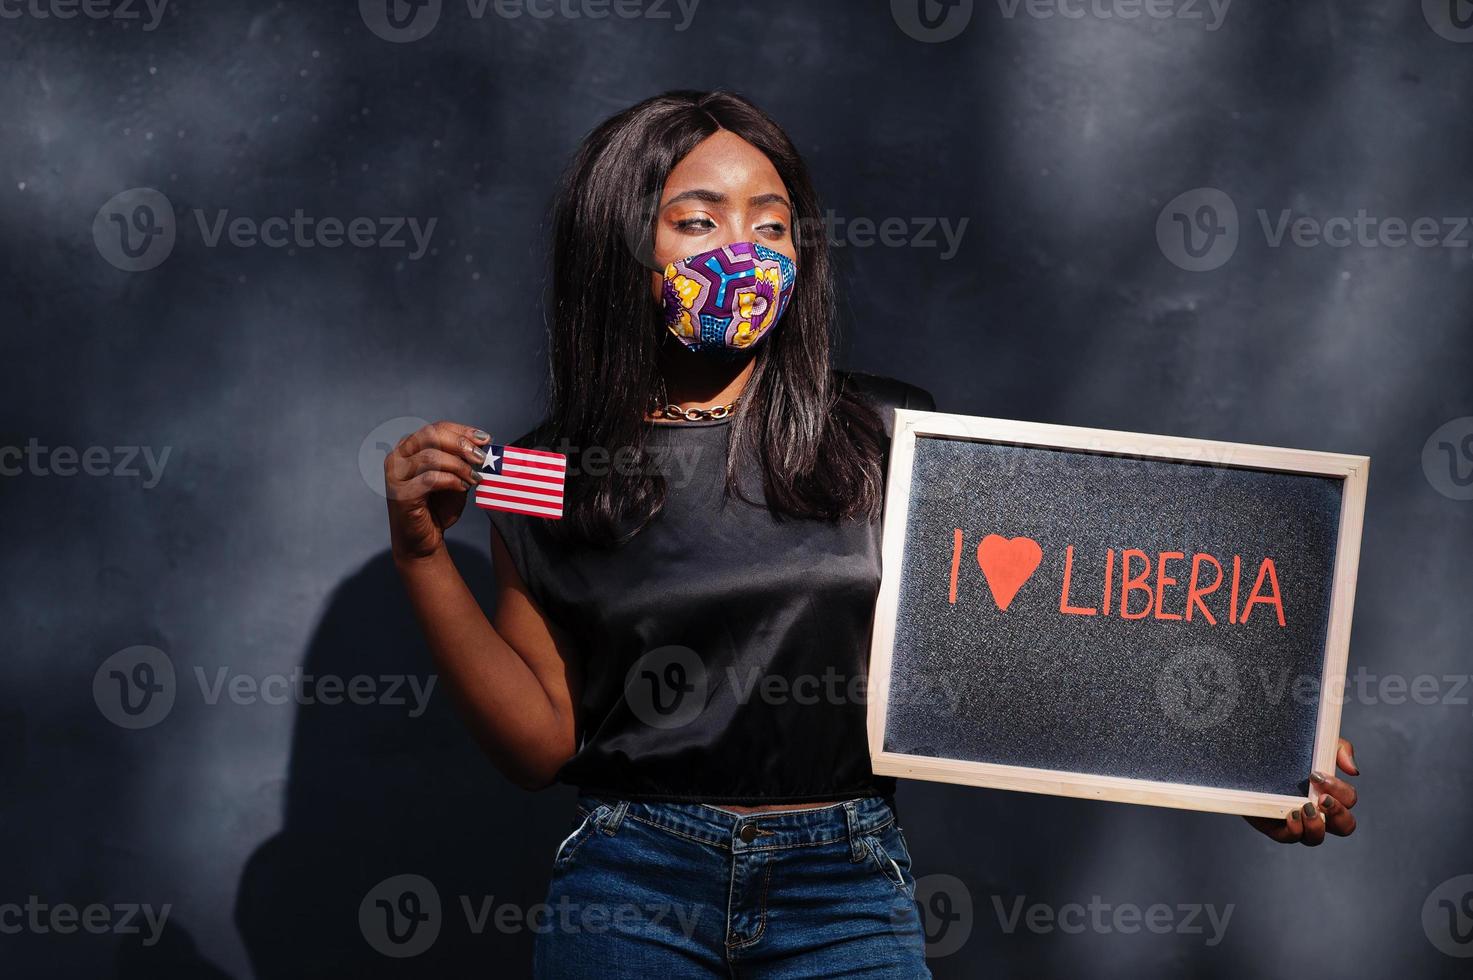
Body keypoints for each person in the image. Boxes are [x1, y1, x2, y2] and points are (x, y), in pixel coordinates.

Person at [382, 90, 1358, 977]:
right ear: (620, 242)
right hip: (632, 892)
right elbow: (540, 742)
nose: (746, 249)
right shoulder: (545, 473)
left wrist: (1247, 763)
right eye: (698, 220)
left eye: (772, 223)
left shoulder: (888, 439)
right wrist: (425, 555)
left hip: (841, 889)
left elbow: (1055, 625)